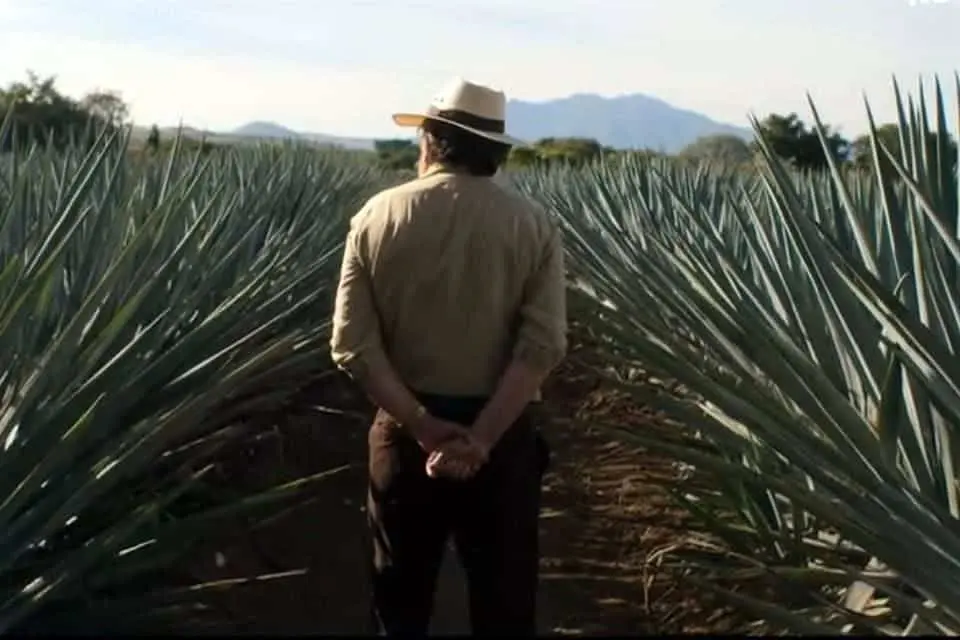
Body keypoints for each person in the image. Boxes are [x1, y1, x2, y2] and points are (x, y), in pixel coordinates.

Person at [330, 77, 568, 636]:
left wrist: (421, 425)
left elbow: (352, 346)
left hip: (405, 439)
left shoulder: (376, 217)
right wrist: (480, 439)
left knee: (400, 599)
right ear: (495, 150)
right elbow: (543, 346)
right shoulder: (533, 225)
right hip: (502, 440)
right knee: (503, 603)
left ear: (433, 141)